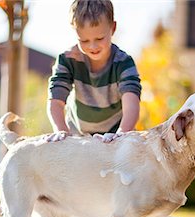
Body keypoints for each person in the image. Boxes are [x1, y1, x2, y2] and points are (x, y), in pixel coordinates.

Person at [46, 0, 142, 143]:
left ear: (113, 28)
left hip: (116, 134)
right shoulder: (68, 60)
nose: (92, 46)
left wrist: (122, 134)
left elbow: (131, 103)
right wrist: (61, 130)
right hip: (78, 135)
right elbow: (56, 100)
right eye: (83, 40)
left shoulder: (123, 63)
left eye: (99, 38)